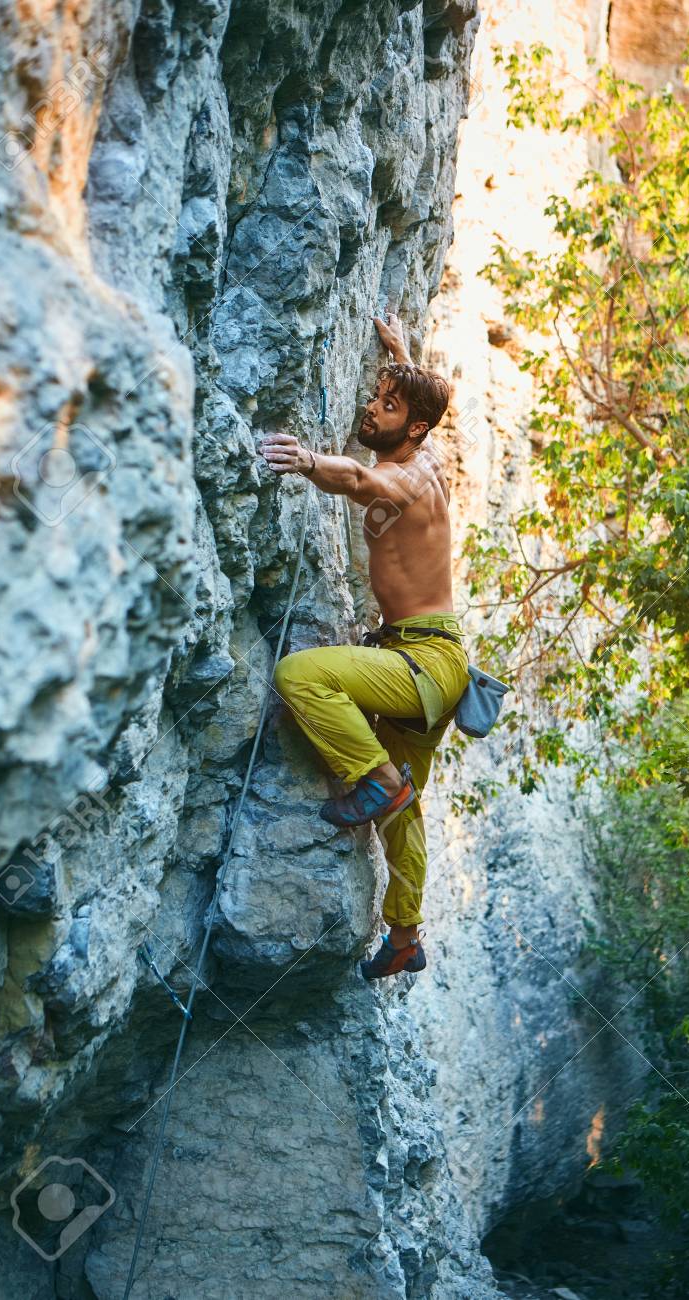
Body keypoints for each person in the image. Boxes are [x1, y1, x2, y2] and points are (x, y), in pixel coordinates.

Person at [260, 314, 468, 980]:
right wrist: (402, 355)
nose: (370, 409)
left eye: (388, 406)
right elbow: (421, 419)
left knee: (300, 676)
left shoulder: (407, 478)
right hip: (435, 666)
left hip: (422, 663)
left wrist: (310, 461)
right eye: (376, 398)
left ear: (413, 431)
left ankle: (374, 780)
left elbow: (357, 482)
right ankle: (405, 935)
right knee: (406, 809)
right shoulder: (423, 451)